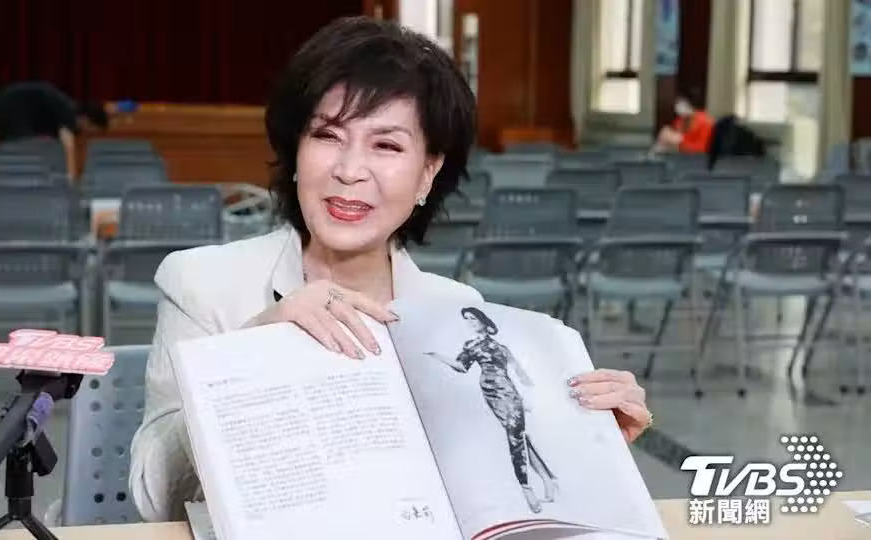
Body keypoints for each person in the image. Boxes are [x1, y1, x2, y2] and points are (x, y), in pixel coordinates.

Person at [128, 16, 653, 523]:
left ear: (428, 172)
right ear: (296, 151)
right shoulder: (204, 284)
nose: (350, 170)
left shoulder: (454, 310)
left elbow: (487, 496)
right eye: (328, 136)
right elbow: (154, 497)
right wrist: (247, 355)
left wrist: (587, 439)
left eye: (386, 145)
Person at [424, 307, 558, 514]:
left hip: (510, 391)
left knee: (516, 435)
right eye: (466, 319)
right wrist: (437, 355)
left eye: (473, 318)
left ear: (483, 320)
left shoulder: (502, 347)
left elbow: (520, 372)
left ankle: (532, 484)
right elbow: (461, 367)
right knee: (517, 435)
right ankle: (539, 481)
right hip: (491, 391)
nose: (470, 322)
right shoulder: (470, 345)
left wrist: (530, 396)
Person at [0, 81, 110, 178]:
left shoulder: (64, 109)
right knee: (21, 151)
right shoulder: (68, 113)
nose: (88, 135)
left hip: (0, 108)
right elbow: (68, 148)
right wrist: (71, 181)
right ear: (86, 119)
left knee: (22, 150)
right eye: (91, 130)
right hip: (6, 109)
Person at [652, 89, 714, 155]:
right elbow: (674, 135)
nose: (678, 108)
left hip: (698, 157)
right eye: (677, 104)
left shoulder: (705, 122)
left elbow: (703, 148)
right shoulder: (680, 120)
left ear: (690, 105)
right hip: (681, 154)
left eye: (682, 105)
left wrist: (680, 142)